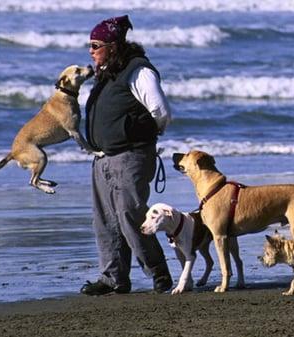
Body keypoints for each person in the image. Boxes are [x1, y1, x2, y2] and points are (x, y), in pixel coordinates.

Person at [80, 15, 174, 295]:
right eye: (90, 45)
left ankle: (159, 274)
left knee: (130, 216)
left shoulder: (137, 70)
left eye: (95, 44)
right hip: (103, 158)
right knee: (105, 221)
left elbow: (161, 111)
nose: (91, 50)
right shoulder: (108, 73)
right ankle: (113, 279)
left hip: (131, 157)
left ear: (112, 45)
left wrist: (140, 136)